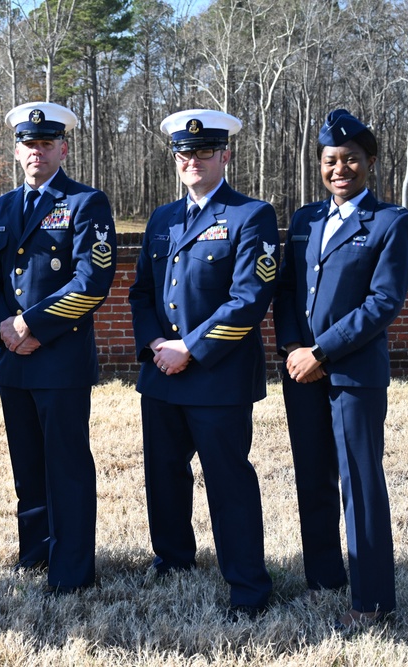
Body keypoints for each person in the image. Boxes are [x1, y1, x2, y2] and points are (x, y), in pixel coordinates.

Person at [128, 109, 277, 618]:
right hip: (161, 374)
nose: (192, 160)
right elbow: (142, 293)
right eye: (184, 153)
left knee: (228, 481)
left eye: (204, 152)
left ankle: (248, 585)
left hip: (217, 376)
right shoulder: (162, 219)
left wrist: (188, 348)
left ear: (225, 155)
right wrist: (154, 346)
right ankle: (172, 560)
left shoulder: (250, 215)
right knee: (164, 475)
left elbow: (248, 300)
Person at [273, 109, 408, 633]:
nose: (340, 169)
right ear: (320, 165)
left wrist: (321, 351)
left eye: (350, 159)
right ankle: (323, 581)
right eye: (330, 160)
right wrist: (292, 346)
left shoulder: (389, 222)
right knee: (312, 479)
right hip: (300, 371)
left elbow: (382, 303)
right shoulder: (307, 220)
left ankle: (372, 598)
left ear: (369, 162)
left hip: (352, 376)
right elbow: (286, 290)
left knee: (360, 481)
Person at [0, 102, 116, 595]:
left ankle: (72, 571)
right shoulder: (2, 208)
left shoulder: (85, 203)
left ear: (63, 148)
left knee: (67, 469)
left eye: (46, 143)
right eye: (28, 144)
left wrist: (31, 324)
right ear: (17, 151)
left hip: (60, 357)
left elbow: (93, 281)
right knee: (28, 467)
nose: (37, 151)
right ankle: (35, 554)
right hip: (14, 359)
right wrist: (6, 331)